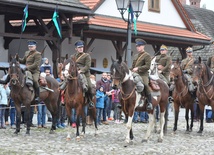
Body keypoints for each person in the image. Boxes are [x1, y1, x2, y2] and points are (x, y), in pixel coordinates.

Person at [60, 40, 95, 107]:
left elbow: (87, 66)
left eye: (82, 47)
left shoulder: (87, 56)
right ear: (76, 48)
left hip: (84, 73)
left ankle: (90, 101)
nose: (81, 48)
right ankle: (63, 99)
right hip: (73, 72)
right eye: (79, 47)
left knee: (90, 87)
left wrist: (81, 71)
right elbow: (69, 64)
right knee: (64, 84)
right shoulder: (72, 56)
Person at [131, 38, 153, 110]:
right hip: (135, 74)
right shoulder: (135, 56)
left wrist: (138, 68)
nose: (138, 47)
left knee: (145, 84)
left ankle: (150, 102)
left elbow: (147, 66)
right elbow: (133, 66)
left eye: (139, 46)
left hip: (143, 74)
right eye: (137, 46)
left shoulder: (147, 55)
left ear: (143, 46)